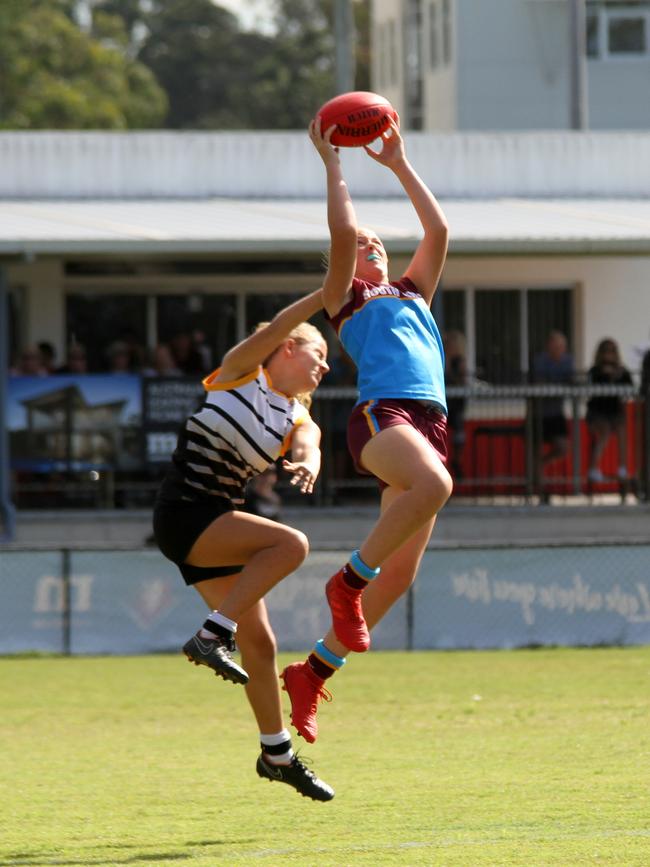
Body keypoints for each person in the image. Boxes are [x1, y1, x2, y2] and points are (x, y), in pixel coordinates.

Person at [280, 116, 452, 744]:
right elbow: (345, 229)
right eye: (364, 246)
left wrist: (399, 163)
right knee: (434, 487)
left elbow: (437, 229)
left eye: (380, 243)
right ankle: (346, 581)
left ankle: (312, 670)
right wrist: (334, 163)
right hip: (385, 418)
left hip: (429, 423)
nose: (373, 246)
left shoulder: (414, 293)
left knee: (402, 573)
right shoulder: (345, 298)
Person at [152, 289, 334, 801]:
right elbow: (277, 324)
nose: (324, 369)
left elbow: (310, 443)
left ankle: (276, 754)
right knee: (291, 546)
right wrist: (328, 292)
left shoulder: (294, 416)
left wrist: (308, 464)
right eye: (319, 356)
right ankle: (212, 634)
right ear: (288, 349)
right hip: (186, 515)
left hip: (215, 524)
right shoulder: (241, 373)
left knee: (262, 644)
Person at [532, 330, 574, 501]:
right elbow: (539, 382)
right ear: (548, 346)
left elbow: (570, 382)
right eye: (555, 346)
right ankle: (539, 489)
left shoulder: (567, 361)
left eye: (561, 347)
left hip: (556, 413)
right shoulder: (540, 361)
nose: (558, 349)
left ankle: (541, 465)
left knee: (563, 447)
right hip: (538, 414)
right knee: (534, 449)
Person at [586, 337, 633, 485]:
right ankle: (593, 469)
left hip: (615, 412)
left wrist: (616, 376)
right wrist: (604, 375)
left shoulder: (622, 370)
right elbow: (589, 387)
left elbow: (630, 388)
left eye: (612, 351)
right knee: (604, 432)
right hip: (597, 412)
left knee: (621, 431)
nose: (609, 354)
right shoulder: (594, 371)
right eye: (606, 350)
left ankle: (622, 469)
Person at [443, 330, 468, 481]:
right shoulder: (440, 357)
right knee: (439, 434)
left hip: (456, 406)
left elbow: (462, 380)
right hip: (441, 404)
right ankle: (441, 466)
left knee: (459, 434)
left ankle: (456, 461)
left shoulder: (459, 361)